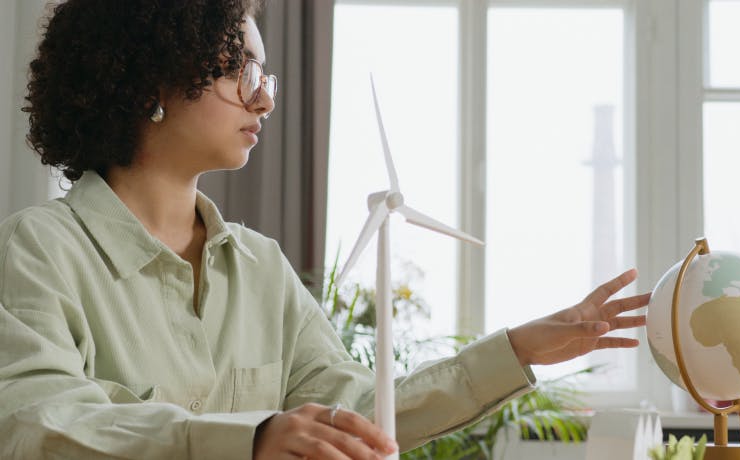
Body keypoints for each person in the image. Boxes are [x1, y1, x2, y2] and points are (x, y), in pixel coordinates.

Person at [0, 1, 650, 459]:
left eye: (265, 76)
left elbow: (357, 412)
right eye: (239, 70)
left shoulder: (260, 266)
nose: (264, 98)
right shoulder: (39, 251)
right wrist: (249, 440)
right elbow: (36, 426)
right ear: (152, 80)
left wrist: (516, 350)